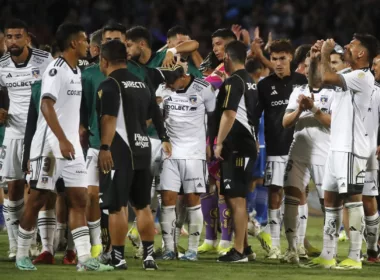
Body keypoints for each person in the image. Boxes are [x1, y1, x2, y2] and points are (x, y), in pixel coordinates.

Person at [15, 22, 113, 272]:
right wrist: (61, 139)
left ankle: (84, 259)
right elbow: (46, 105)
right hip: (49, 145)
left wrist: (73, 135)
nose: (87, 45)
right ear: (73, 43)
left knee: (79, 198)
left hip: (71, 147)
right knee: (37, 199)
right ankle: (22, 255)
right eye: (83, 40)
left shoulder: (77, 71)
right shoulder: (55, 70)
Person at [304, 34, 378, 270]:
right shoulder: (347, 74)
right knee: (331, 201)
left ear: (361, 54)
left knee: (353, 201)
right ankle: (328, 254)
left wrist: (326, 53)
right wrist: (316, 59)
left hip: (351, 148)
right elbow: (317, 82)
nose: (347, 46)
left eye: (352, 45)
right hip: (336, 147)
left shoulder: (362, 77)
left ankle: (355, 257)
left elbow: (327, 77)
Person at [97, 39, 170, 270]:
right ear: (125, 59)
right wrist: (164, 137)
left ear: (104, 60)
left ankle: (118, 258)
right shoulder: (141, 83)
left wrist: (105, 147)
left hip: (120, 149)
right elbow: (155, 114)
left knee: (117, 207)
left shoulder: (108, 85)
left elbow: (109, 119)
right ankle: (148, 257)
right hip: (142, 147)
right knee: (142, 205)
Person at [0, 18, 53, 258]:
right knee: (13, 189)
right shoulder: (1, 64)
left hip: (40, 133)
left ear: (27, 38)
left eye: (17, 36)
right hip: (13, 132)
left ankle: (33, 243)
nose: (12, 41)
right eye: (8, 37)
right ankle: (14, 247)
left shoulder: (44, 61)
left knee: (39, 191)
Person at [155, 65, 215, 261]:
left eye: (171, 82)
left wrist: (210, 144)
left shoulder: (204, 88)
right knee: (167, 200)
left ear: (182, 76)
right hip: (170, 153)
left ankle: (192, 250)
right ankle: (169, 249)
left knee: (192, 201)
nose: (168, 86)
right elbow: (157, 118)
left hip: (194, 153)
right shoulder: (162, 89)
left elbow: (214, 118)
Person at [255, 39, 308, 259]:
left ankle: (298, 246)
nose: (277, 63)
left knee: (299, 194)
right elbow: (256, 115)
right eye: (274, 59)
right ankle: (275, 246)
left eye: (282, 58)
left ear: (290, 59)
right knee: (275, 194)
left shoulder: (302, 81)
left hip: (299, 147)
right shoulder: (264, 85)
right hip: (275, 147)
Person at [281, 50, 335, 264]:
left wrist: (313, 108)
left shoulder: (334, 93)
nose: (311, 69)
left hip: (324, 152)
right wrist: (300, 110)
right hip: (299, 150)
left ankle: (329, 252)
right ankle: (293, 249)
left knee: (328, 204)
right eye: (308, 65)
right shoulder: (298, 91)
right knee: (291, 197)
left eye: (315, 65)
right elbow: (286, 122)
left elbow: (332, 122)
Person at [210, 40, 258, 262]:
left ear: (227, 57)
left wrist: (218, 142)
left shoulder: (233, 82)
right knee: (234, 196)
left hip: (238, 146)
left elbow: (229, 114)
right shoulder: (250, 81)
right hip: (246, 144)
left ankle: (238, 251)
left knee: (236, 198)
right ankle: (245, 247)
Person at [198, 28, 237, 256]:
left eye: (219, 44)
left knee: (223, 187)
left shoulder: (228, 72)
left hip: (224, 134)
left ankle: (225, 239)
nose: (215, 49)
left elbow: (203, 88)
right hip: (207, 131)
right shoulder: (217, 71)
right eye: (213, 44)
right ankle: (210, 238)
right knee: (208, 185)